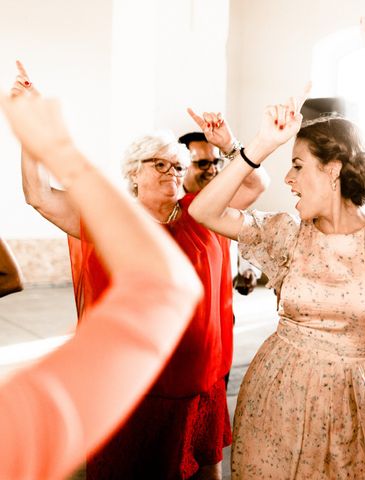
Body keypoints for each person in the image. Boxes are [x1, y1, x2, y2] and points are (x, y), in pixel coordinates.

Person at [188, 12, 365, 479]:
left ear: (333, 169)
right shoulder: (285, 235)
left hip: (357, 409)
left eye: (297, 166)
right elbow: (203, 212)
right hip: (277, 400)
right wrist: (258, 146)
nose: (287, 180)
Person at [15, 63, 231, 479]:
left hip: (198, 380)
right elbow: (38, 195)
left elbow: (252, 187)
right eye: (160, 164)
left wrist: (234, 142)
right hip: (135, 382)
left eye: (177, 166)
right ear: (134, 172)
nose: (173, 173)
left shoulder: (198, 212)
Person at [178, 129, 268, 295]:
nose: (212, 171)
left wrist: (249, 271)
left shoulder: (227, 202)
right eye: (203, 163)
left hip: (222, 305)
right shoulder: (169, 207)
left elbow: (258, 184)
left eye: (217, 163)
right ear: (181, 165)